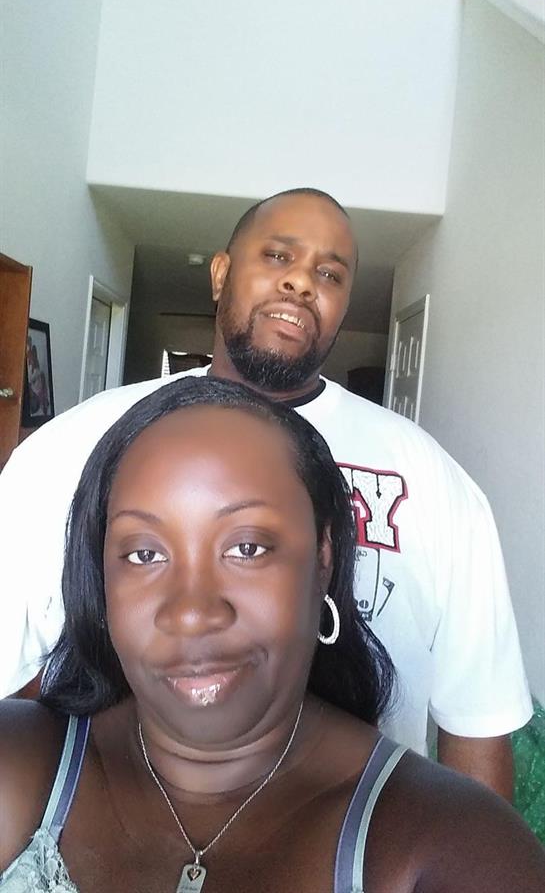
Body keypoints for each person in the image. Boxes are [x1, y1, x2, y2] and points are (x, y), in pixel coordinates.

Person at [0, 189, 531, 798]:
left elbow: (478, 722)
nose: (301, 283)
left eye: (329, 274)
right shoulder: (70, 449)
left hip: (352, 832)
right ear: (221, 274)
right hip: (112, 824)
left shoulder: (432, 479)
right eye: (278, 256)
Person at [1, 377, 544, 893]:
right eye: (145, 554)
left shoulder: (452, 844)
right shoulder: (19, 765)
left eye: (247, 548)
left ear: (323, 558)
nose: (193, 612)